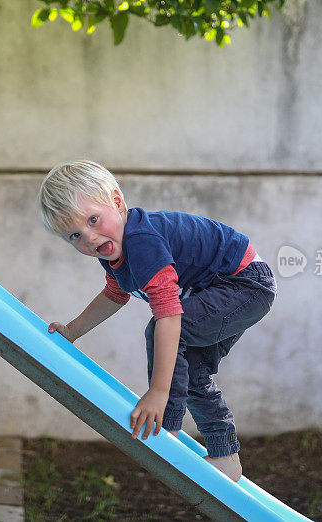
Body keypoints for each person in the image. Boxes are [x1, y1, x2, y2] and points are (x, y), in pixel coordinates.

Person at [37, 160, 276, 481]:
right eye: (75, 235)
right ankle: (226, 456)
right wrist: (73, 330)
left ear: (117, 202)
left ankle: (169, 429)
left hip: (243, 283)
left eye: (93, 220)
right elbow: (114, 294)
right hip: (222, 288)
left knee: (163, 331)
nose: (90, 238)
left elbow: (169, 316)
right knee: (192, 371)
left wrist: (158, 394)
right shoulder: (114, 255)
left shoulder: (141, 242)